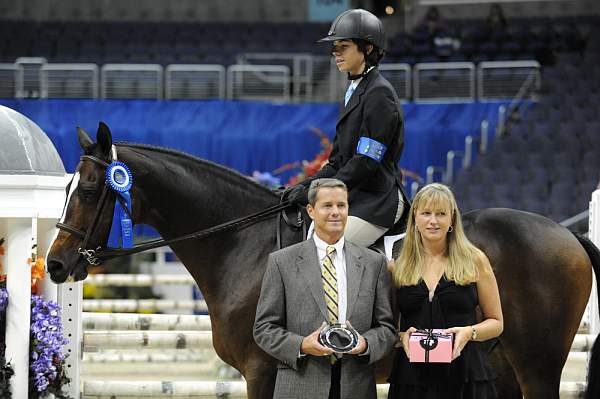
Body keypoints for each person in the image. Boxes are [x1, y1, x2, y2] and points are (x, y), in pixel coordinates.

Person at [254, 178, 396, 399]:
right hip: (299, 387)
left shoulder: (373, 263)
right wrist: (301, 345)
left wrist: (365, 344)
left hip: (356, 387)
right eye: (327, 206)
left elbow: (387, 329)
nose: (336, 212)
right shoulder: (281, 262)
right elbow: (264, 328)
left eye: (341, 205)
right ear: (311, 210)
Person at [286, 8, 409, 248]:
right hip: (356, 195)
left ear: (368, 48)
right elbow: (338, 161)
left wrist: (321, 192)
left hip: (378, 200)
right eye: (334, 48)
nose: (336, 53)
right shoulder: (354, 91)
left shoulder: (379, 93)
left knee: (329, 246)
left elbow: (366, 161)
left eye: (344, 46)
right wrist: (304, 186)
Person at [387, 183, 503, 399]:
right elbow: (388, 327)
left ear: (452, 219)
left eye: (441, 214)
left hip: (467, 375)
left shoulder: (475, 260)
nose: (433, 221)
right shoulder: (397, 266)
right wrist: (401, 337)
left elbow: (497, 323)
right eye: (426, 213)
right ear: (415, 218)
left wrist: (470, 332)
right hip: (412, 378)